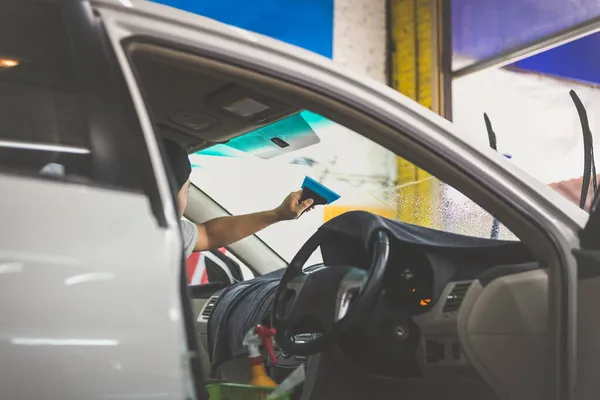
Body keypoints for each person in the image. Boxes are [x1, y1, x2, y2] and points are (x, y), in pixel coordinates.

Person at [162, 139, 315, 258]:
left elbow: (209, 234)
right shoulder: (161, 237)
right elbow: (209, 235)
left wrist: (278, 214)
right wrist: (278, 214)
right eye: (186, 192)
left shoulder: (166, 232)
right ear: (167, 197)